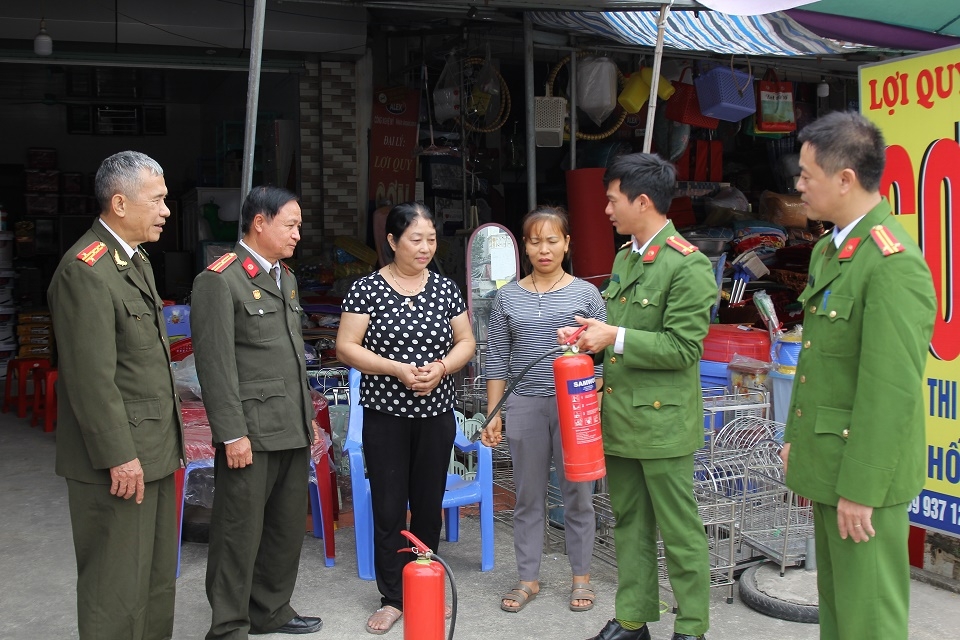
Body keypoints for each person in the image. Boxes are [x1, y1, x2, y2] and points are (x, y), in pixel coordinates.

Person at [780, 111, 936, 640]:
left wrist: (862, 490)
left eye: (806, 174)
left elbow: (889, 392)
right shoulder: (832, 248)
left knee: (869, 619)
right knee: (840, 611)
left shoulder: (892, 263)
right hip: (830, 459)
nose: (798, 185)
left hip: (863, 475)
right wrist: (795, 439)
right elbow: (823, 361)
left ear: (845, 179)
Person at [562, 153, 716, 640]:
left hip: (664, 424)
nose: (606, 210)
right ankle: (634, 618)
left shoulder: (688, 266)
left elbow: (684, 347)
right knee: (628, 521)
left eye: (612, 200)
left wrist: (614, 337)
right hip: (623, 417)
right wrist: (591, 336)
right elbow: (619, 333)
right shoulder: (626, 257)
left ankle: (691, 626)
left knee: (679, 529)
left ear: (642, 200)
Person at [48, 150, 184, 640]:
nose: (167, 210)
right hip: (118, 458)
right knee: (115, 585)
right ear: (121, 204)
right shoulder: (85, 270)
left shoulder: (134, 259)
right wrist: (119, 456)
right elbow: (89, 378)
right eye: (159, 199)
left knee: (153, 580)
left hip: (154, 449)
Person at [336, 202, 475, 635]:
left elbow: (466, 341)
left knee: (429, 505)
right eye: (416, 239)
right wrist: (396, 368)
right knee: (389, 506)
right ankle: (393, 596)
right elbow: (346, 347)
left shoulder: (446, 289)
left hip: (435, 414)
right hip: (386, 417)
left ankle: (426, 585)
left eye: (431, 239)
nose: (425, 247)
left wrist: (443, 368)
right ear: (392, 242)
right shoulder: (367, 290)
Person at [191, 186, 323, 638]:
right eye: (291, 224)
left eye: (299, 225)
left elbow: (290, 356)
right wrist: (231, 433)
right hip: (250, 430)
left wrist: (307, 416)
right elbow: (215, 365)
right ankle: (228, 625)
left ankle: (270, 610)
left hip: (289, 424)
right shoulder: (219, 279)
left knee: (285, 530)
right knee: (238, 533)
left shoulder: (284, 277)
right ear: (259, 222)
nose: (298, 235)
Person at [480, 206, 605, 613]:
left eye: (553, 240)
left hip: (576, 406)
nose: (544, 249)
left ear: (567, 243)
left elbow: (600, 361)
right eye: (535, 242)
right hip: (525, 404)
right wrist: (494, 411)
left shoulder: (586, 294)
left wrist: (592, 415)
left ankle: (581, 579)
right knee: (528, 496)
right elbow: (497, 358)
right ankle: (527, 579)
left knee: (578, 496)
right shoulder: (507, 296)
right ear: (524, 247)